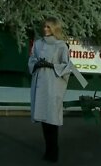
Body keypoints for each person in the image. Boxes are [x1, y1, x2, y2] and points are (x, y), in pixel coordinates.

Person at [28, 16, 72, 163]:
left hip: (53, 85)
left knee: (51, 120)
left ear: (55, 28)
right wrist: (37, 64)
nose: (45, 29)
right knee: (43, 119)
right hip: (40, 84)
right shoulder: (38, 44)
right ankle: (48, 149)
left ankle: (54, 151)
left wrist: (52, 65)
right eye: (44, 27)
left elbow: (67, 66)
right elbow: (32, 59)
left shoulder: (61, 46)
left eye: (48, 27)